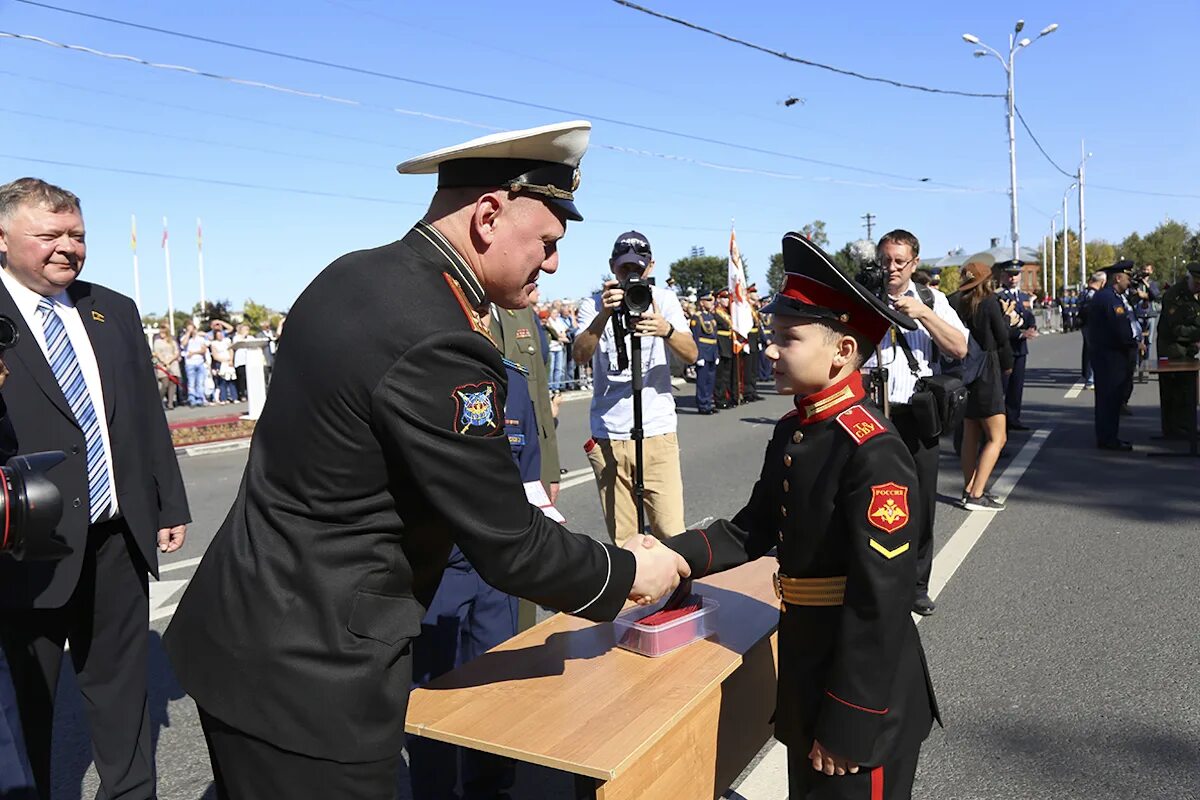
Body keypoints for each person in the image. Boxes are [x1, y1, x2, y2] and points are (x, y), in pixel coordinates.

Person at [163, 121, 688, 797]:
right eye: (549, 243)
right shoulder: (438, 337)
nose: (554, 264)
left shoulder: (356, 272)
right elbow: (511, 546)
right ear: (490, 216)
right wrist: (630, 573)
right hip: (312, 675)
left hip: (246, 632)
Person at [664, 232, 938, 800]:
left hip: (861, 695)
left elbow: (879, 601)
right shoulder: (796, 429)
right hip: (810, 667)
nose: (769, 351)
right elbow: (751, 528)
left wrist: (849, 720)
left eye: (787, 338)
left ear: (842, 351)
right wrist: (669, 556)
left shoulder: (871, 450)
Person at [0, 177, 190, 800]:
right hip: (25, 547)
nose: (67, 247)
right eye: (49, 235)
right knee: (24, 707)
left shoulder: (111, 309)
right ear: (3, 240)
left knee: (123, 696)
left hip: (115, 537)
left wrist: (167, 500)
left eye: (77, 235)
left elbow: (141, 415)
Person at [407, 357, 539, 800]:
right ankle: (434, 790)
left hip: (496, 569)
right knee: (432, 689)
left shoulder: (513, 382)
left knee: (495, 681)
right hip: (436, 566)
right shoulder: (422, 376)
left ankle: (491, 787)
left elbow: (528, 484)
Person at [863, 230, 968, 617]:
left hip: (917, 412)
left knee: (920, 503)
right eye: (885, 260)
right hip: (872, 412)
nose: (891, 268)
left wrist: (922, 314)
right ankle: (874, 579)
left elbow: (959, 347)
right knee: (871, 501)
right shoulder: (864, 296)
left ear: (915, 263)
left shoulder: (931, 299)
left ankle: (918, 585)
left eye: (899, 261)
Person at [574, 230, 697, 547]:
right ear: (612, 266)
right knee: (625, 540)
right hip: (610, 433)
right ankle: (639, 596)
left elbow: (692, 353)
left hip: (656, 430)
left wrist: (665, 329)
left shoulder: (665, 301)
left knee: (671, 532)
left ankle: (677, 595)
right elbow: (580, 354)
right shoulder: (592, 304)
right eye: (624, 268)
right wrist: (604, 314)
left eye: (637, 269)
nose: (631, 276)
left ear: (650, 267)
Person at [947, 260, 1013, 511]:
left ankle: (968, 487)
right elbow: (1001, 337)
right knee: (998, 437)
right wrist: (1008, 321)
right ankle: (977, 494)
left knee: (970, 434)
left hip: (964, 372)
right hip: (987, 370)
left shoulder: (953, 301)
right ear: (986, 280)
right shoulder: (989, 303)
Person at [493, 288, 561, 502]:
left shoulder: (522, 310)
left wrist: (550, 472)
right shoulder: (457, 308)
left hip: (528, 460)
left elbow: (540, 394)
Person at [1084, 261, 1139, 451]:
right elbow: (1119, 328)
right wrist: (1132, 342)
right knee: (1109, 398)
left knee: (1111, 399)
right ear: (1118, 277)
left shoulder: (1114, 297)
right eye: (1127, 277)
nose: (1129, 281)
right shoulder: (1108, 298)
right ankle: (1108, 438)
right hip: (1110, 355)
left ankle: (1109, 436)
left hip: (1113, 354)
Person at [1156, 262, 1200, 438]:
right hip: (1172, 349)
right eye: (1197, 284)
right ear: (1191, 280)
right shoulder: (1174, 295)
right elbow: (1176, 328)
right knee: (1173, 390)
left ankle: (1186, 426)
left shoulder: (1193, 294)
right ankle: (1173, 429)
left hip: (1187, 349)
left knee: (1188, 390)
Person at [996, 260, 1036, 431]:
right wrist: (1020, 333)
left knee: (1016, 386)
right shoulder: (999, 296)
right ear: (1003, 276)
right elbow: (1000, 323)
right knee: (1002, 386)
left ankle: (1013, 418)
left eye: (1016, 274)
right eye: (1010, 274)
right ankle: (1000, 421)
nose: (1013, 278)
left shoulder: (1024, 296)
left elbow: (1028, 316)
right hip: (1006, 347)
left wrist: (1032, 326)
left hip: (1020, 348)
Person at [690, 290, 719, 415]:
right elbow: (695, 337)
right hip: (703, 352)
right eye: (708, 300)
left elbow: (714, 337)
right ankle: (702, 405)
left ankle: (708, 402)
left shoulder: (711, 317)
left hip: (712, 351)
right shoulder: (697, 317)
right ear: (701, 302)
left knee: (710, 380)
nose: (710, 302)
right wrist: (698, 355)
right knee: (702, 380)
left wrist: (716, 353)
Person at [1078, 271, 1106, 389]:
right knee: (1094, 352)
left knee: (1090, 351)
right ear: (1102, 282)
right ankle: (1091, 379)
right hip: (1092, 325)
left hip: (1085, 324)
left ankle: (1090, 377)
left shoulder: (1084, 292)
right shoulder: (1093, 295)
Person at [712, 288, 740, 408]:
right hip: (721, 345)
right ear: (718, 299)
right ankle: (719, 398)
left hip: (729, 345)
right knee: (721, 375)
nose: (727, 301)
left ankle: (728, 396)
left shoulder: (729, 313)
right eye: (724, 298)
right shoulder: (716, 313)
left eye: (727, 298)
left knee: (728, 374)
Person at [152, 321, 181, 410]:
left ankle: (170, 403)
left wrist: (170, 360)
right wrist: (165, 362)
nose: (162, 334)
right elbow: (157, 352)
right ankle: (159, 401)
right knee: (165, 383)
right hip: (162, 364)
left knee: (173, 383)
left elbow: (176, 352)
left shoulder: (172, 341)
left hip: (172, 363)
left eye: (163, 332)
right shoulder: (157, 342)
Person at [741, 283, 763, 402]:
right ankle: (747, 392)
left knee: (754, 368)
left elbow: (757, 327)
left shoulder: (754, 310)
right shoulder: (745, 310)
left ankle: (753, 390)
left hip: (754, 340)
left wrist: (758, 339)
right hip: (748, 340)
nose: (756, 301)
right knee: (748, 369)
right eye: (754, 299)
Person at [181, 321, 209, 406]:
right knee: (191, 382)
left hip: (199, 362)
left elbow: (204, 350)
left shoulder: (200, 339)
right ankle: (192, 399)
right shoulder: (184, 338)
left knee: (200, 382)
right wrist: (188, 333)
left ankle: (200, 398)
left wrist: (193, 353)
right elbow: (183, 344)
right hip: (190, 363)